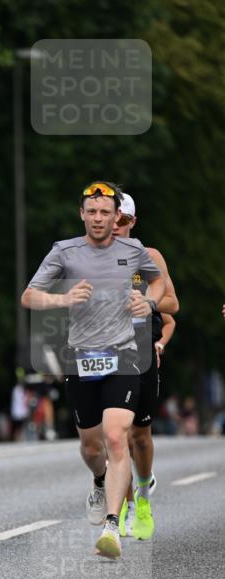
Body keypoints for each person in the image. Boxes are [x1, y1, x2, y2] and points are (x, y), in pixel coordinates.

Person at [21, 180, 166, 559]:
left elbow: (161, 284)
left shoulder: (133, 250)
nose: (99, 219)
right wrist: (64, 298)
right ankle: (99, 480)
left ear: (116, 216)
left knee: (118, 437)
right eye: (92, 212)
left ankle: (112, 526)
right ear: (81, 214)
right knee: (91, 445)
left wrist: (148, 303)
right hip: (82, 358)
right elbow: (29, 295)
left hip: (124, 356)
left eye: (106, 213)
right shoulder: (64, 252)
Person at [113, 193, 179, 540]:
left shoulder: (149, 257)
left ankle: (142, 491)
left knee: (140, 435)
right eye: (111, 219)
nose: (115, 226)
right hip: (108, 352)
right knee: (116, 435)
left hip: (141, 352)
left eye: (122, 221)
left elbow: (172, 304)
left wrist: (146, 301)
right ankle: (122, 509)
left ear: (132, 223)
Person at [10, 368, 30, 441]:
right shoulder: (17, 390)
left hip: (19, 411)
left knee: (20, 426)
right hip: (19, 412)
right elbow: (21, 401)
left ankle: (19, 438)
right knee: (19, 426)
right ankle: (18, 438)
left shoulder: (18, 389)